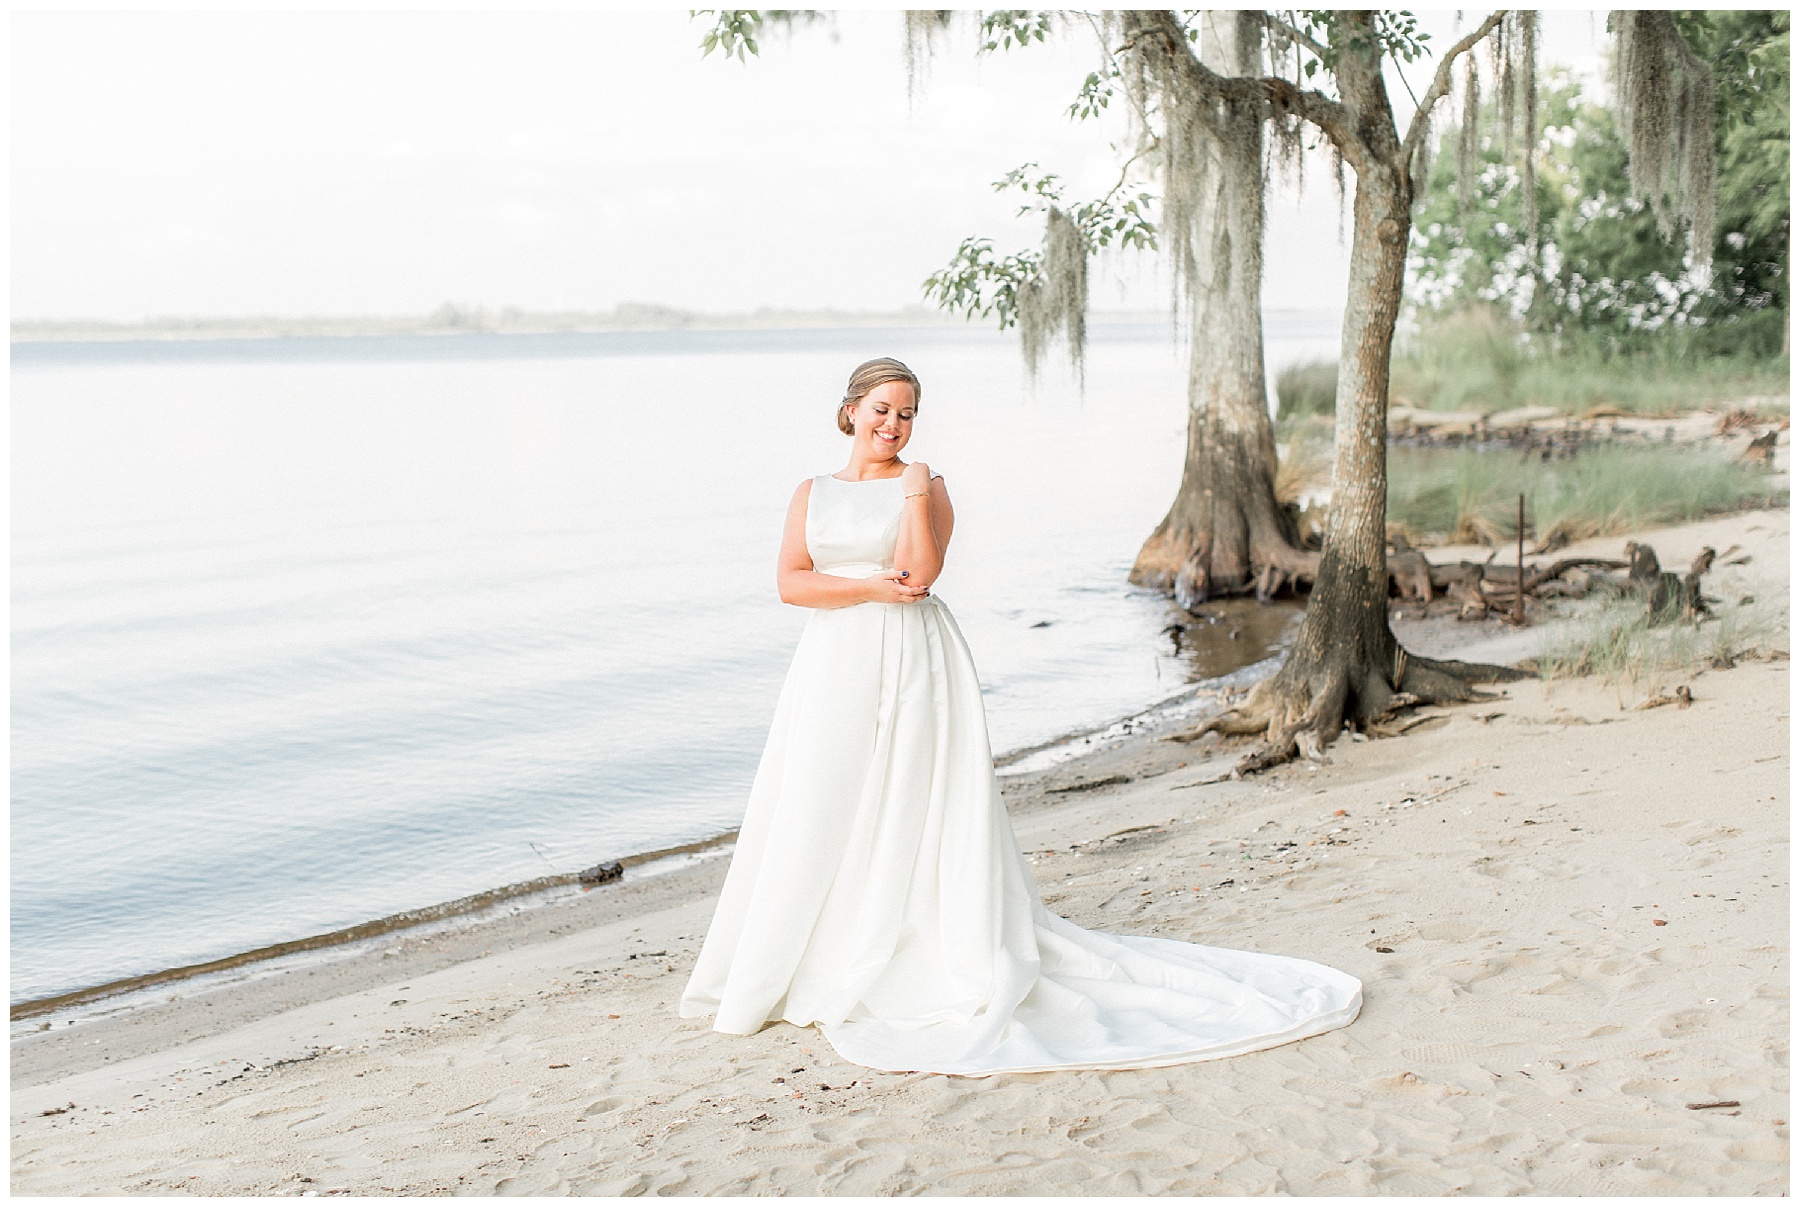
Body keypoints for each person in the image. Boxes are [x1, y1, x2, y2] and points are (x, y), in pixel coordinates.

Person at [679, 357, 1361, 1076]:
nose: (893, 424)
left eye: (907, 413)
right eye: (881, 409)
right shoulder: (811, 492)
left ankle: (903, 940)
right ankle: (804, 950)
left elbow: (920, 575)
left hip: (913, 655)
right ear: (850, 410)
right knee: (821, 797)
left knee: (910, 797)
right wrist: (867, 586)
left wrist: (912, 498)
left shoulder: (928, 486)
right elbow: (791, 582)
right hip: (831, 663)